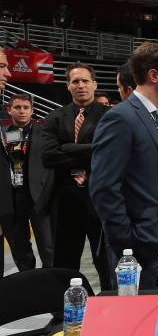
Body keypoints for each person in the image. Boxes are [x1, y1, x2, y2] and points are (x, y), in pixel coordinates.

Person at [90, 42, 158, 291]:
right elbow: (104, 188)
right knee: (141, 322)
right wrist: (129, 242)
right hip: (139, 244)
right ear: (153, 76)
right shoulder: (120, 118)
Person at [41, 62, 112, 290]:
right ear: (68, 86)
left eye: (85, 81)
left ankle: (112, 305)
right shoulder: (55, 117)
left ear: (94, 84)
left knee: (105, 261)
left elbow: (109, 152)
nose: (80, 85)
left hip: (101, 199)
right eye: (75, 81)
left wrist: (68, 147)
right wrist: (91, 149)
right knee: (64, 260)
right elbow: (48, 156)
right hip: (65, 201)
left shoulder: (110, 116)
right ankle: (61, 309)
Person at [1, 94, 54, 273]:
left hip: (39, 198)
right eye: (17, 107)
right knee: (20, 249)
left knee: (48, 248)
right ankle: (28, 284)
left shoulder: (45, 133)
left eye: (25, 107)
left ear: (32, 111)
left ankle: (50, 283)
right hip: (13, 199)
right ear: (9, 110)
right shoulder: (4, 135)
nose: (22, 111)